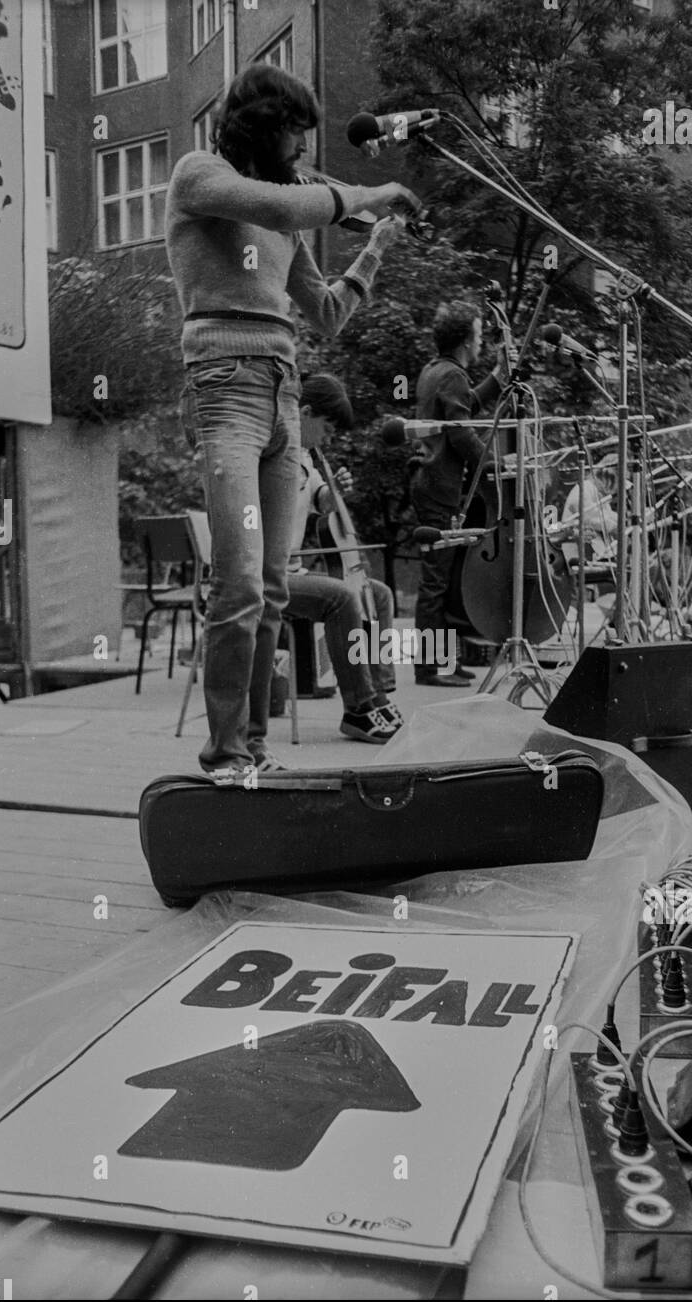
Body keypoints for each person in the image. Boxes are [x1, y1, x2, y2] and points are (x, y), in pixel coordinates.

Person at [167, 61, 418, 780]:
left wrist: (374, 248)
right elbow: (279, 207)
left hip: (282, 392)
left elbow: (328, 313)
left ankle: (253, 752)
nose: (303, 148)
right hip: (226, 389)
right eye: (295, 133)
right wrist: (367, 193)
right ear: (262, 126)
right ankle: (224, 757)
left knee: (273, 588)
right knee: (241, 583)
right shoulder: (200, 176)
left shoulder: (285, 213)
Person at [282, 374, 402, 745]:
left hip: (294, 569)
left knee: (377, 594)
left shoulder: (306, 456)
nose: (329, 439)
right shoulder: (278, 455)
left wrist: (335, 493)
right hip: (271, 576)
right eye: (327, 428)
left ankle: (379, 694)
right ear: (304, 413)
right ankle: (358, 708)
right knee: (342, 598)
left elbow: (322, 502)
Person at [411, 300, 510, 686]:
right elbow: (460, 431)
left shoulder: (436, 370)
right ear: (466, 340)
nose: (482, 341)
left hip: (430, 482)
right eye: (480, 334)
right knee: (437, 579)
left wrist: (499, 377)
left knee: (444, 578)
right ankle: (429, 667)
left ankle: (443, 662)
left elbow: (465, 406)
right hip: (439, 485)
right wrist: (493, 465)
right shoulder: (452, 374)